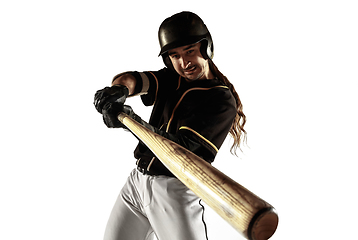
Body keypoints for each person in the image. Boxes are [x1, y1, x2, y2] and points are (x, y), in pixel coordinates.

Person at [94, 11, 247, 240]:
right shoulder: (172, 78)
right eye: (174, 55)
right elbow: (134, 79)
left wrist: (130, 122)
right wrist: (119, 90)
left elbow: (182, 150)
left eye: (190, 51)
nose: (184, 63)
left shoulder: (221, 100)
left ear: (206, 48)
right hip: (137, 182)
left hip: (174, 191)